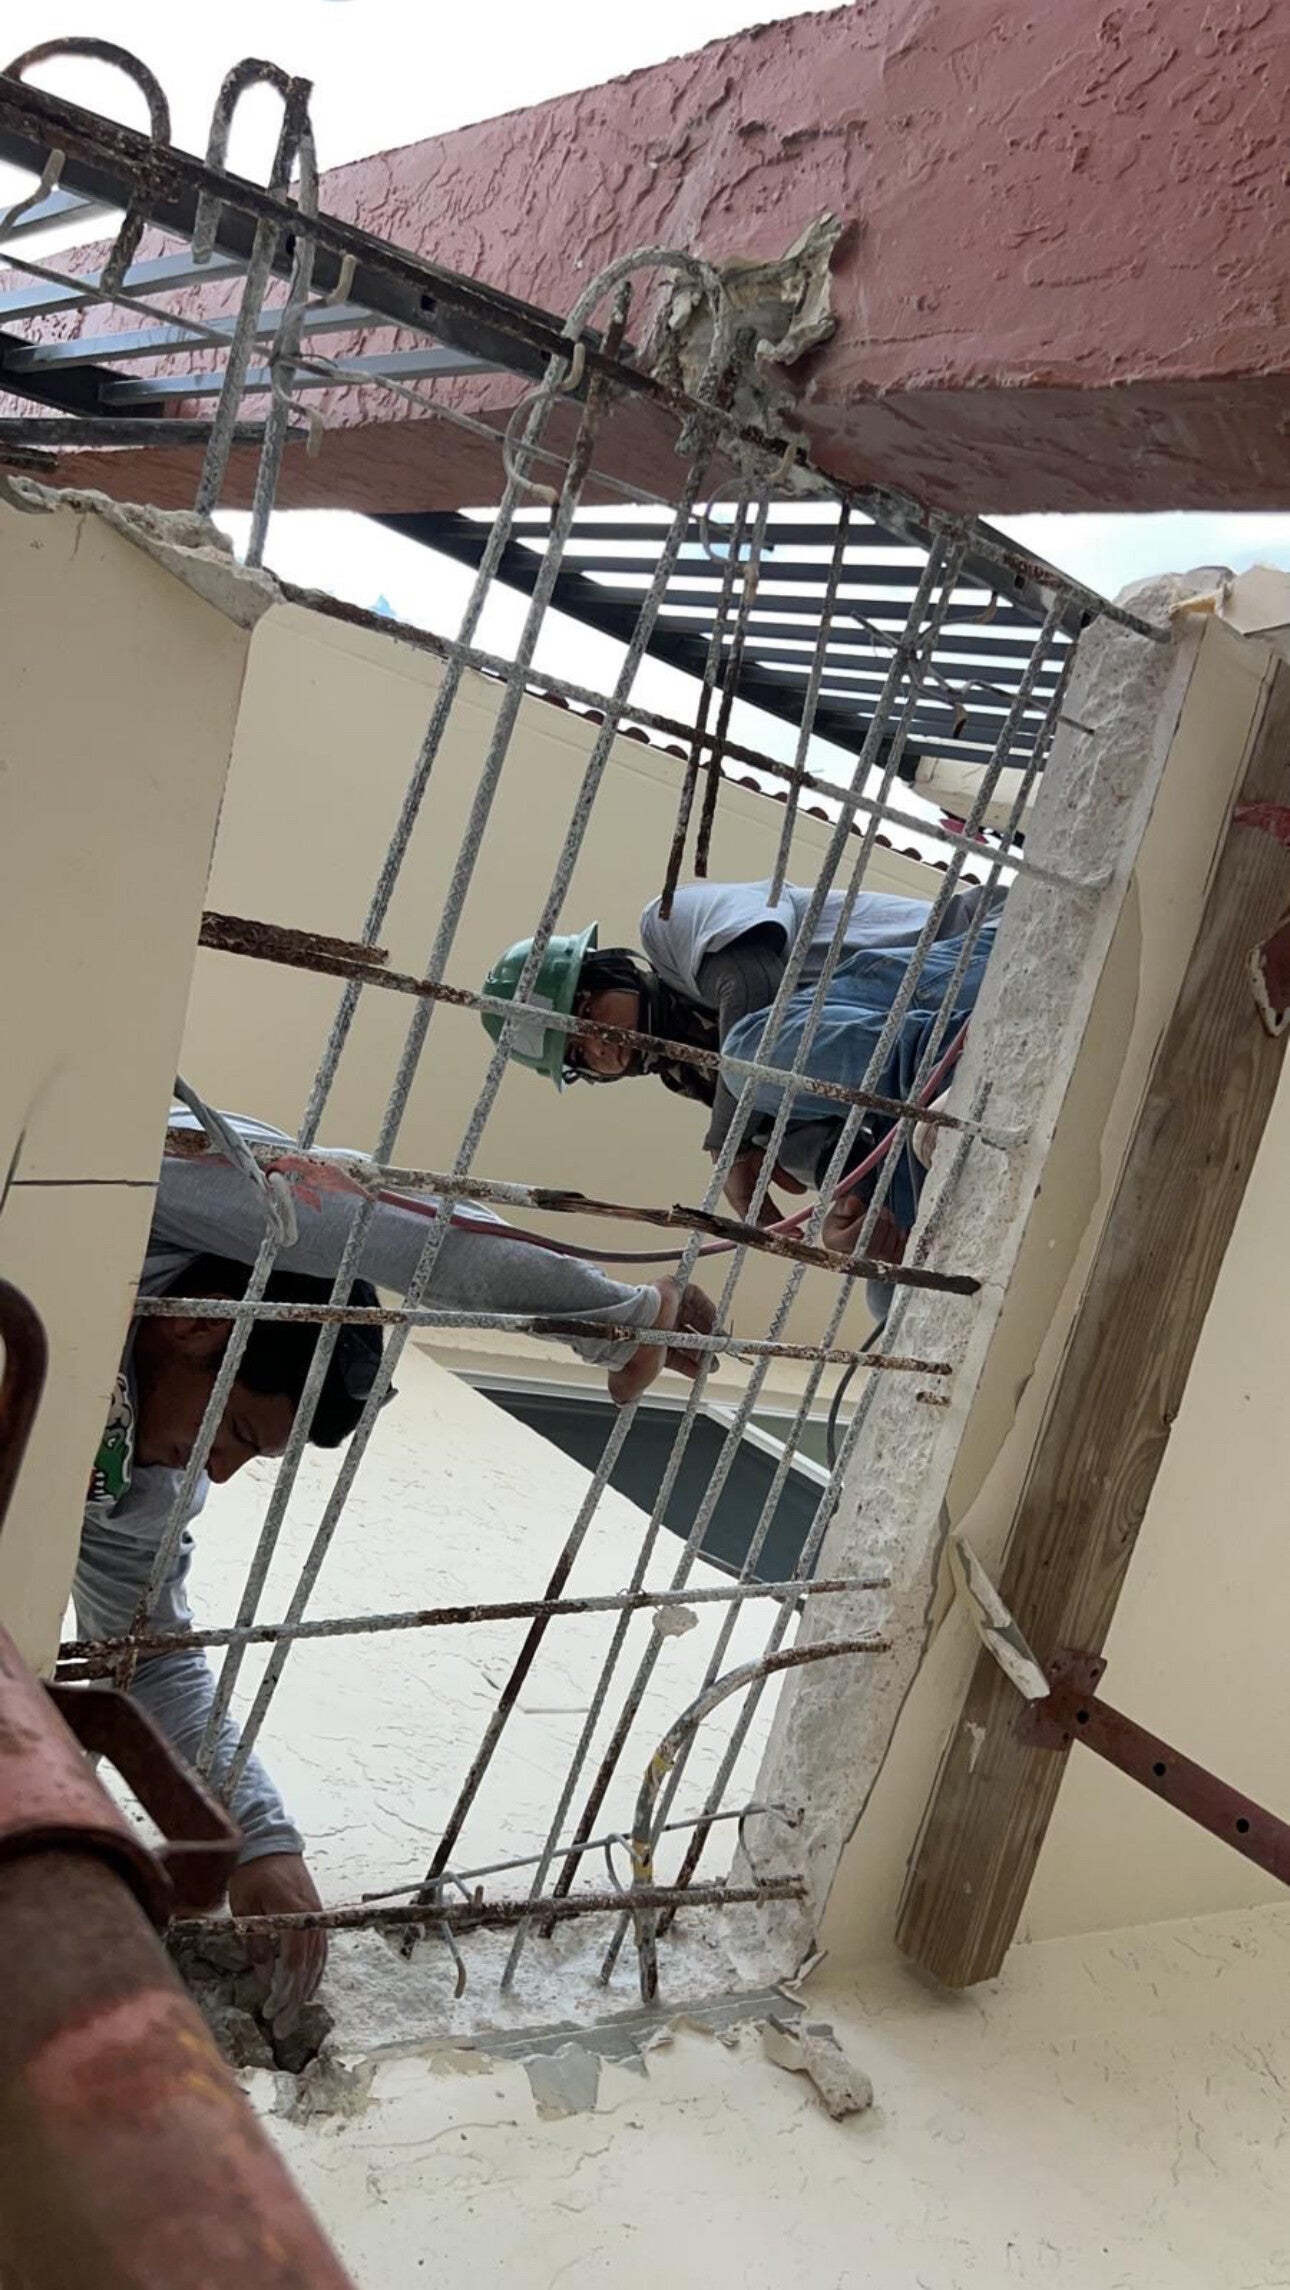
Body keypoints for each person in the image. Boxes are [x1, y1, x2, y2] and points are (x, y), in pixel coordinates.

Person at [74, 1100, 716, 2031]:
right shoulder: (126, 1197)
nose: (216, 1472)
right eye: (240, 1431)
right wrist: (618, 1320)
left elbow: (146, 1659)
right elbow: (387, 1230)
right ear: (199, 1329)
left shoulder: (135, 1490)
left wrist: (257, 1838)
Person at [482, 876, 998, 1251]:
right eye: (578, 1055)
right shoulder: (715, 1089)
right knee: (887, 1290)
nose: (599, 1046)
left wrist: (728, 1146)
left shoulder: (669, 925)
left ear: (612, 971)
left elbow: (751, 983)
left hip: (972, 956)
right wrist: (857, 1218)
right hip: (918, 1092)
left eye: (586, 1015)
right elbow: (846, 1157)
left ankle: (951, 1060)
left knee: (749, 1056)